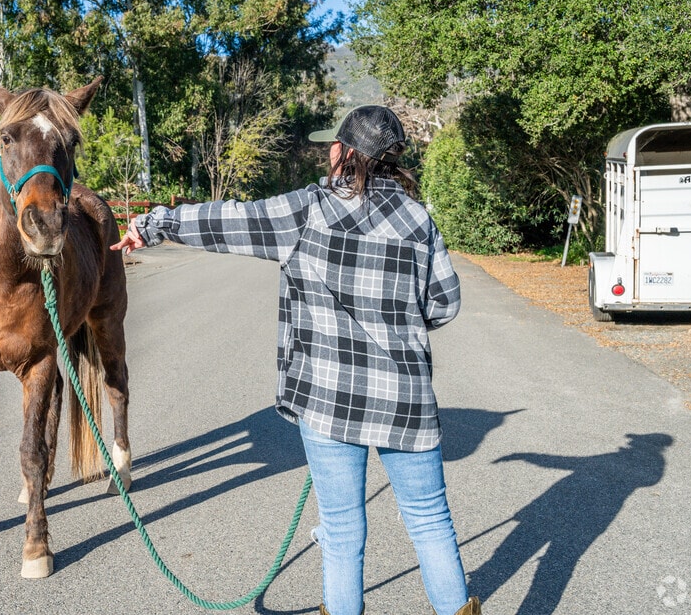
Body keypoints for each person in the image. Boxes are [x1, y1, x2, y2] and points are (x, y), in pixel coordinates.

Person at [111, 106, 481, 615]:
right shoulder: (420, 222)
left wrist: (153, 225)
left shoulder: (307, 210)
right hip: (406, 401)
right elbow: (444, 304)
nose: (328, 151)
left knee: (343, 528)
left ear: (346, 153)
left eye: (334, 145)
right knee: (429, 519)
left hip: (327, 400)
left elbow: (228, 220)